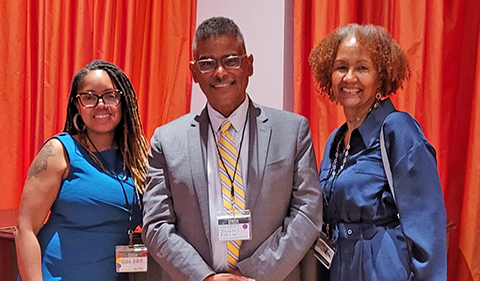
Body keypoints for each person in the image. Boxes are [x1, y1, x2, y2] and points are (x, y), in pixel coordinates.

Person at [142, 16, 322, 281]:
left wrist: (255, 274)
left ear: (248, 64)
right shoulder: (166, 141)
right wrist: (204, 277)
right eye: (207, 63)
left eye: (231, 60)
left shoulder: (292, 131)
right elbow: (156, 226)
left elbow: (308, 212)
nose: (220, 72)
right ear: (193, 72)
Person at [308, 24, 447, 280]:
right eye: (341, 67)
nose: (350, 77)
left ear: (381, 78)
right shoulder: (334, 141)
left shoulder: (398, 129)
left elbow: (428, 228)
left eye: (362, 68)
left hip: (382, 271)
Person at [15, 60, 149, 280]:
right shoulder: (59, 151)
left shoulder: (138, 158)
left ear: (122, 101)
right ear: (77, 105)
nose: (100, 104)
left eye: (110, 95)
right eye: (88, 97)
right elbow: (25, 229)